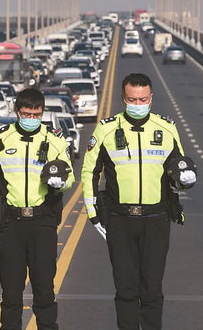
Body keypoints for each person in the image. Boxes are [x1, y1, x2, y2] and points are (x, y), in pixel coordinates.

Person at [81, 73, 196, 330]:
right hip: (120, 220)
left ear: (151, 99)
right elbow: (89, 172)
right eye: (132, 99)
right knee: (126, 288)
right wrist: (93, 213)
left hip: (157, 219)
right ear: (123, 99)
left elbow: (179, 169)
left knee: (152, 288)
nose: (137, 103)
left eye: (143, 99)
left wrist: (185, 179)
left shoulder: (166, 129)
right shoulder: (107, 129)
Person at [0, 88, 74, 330]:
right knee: (11, 291)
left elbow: (70, 174)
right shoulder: (1, 140)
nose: (31, 119)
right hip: (10, 223)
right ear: (17, 112)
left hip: (42, 222)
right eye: (26, 114)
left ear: (42, 113)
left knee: (44, 289)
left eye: (36, 114)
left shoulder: (54, 139)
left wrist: (61, 181)